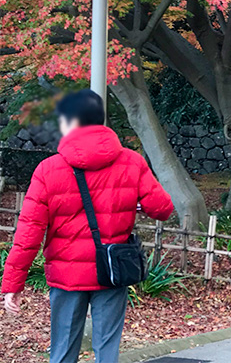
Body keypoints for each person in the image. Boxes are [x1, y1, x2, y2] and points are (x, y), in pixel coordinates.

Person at [2, 90, 174, 363]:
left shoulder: (48, 170)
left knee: (63, 351)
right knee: (107, 351)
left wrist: (13, 284)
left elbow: (28, 234)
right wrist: (134, 203)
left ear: (70, 122)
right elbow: (163, 209)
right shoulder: (132, 161)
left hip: (66, 275)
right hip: (112, 270)